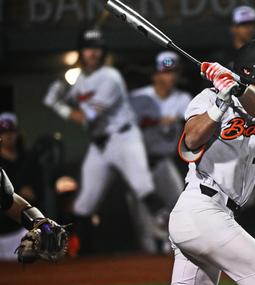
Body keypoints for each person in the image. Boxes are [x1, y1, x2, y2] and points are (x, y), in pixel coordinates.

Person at [168, 38, 255, 285]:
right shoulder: (209, 97)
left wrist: (237, 89)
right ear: (250, 69)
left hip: (218, 214)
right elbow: (191, 140)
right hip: (199, 207)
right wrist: (221, 101)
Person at [43, 28, 165, 254]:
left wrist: (58, 104)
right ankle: (80, 255)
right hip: (99, 145)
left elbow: (87, 116)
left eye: (97, 49)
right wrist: (59, 87)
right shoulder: (78, 79)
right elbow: (52, 98)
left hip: (124, 138)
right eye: (89, 48)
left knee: (143, 188)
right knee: (83, 205)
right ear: (81, 51)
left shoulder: (111, 77)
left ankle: (172, 239)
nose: (93, 53)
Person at [128, 51, 191, 253]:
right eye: (165, 72)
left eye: (173, 72)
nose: (170, 77)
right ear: (155, 75)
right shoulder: (139, 98)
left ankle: (175, 248)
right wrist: (155, 121)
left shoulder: (183, 99)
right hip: (138, 164)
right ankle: (147, 268)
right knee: (143, 221)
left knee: (181, 204)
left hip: (163, 161)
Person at [0, 113, 36, 260]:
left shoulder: (28, 160)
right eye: (3, 132)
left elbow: (35, 194)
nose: (8, 136)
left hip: (21, 231)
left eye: (11, 132)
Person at [210, 5, 255, 70]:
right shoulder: (221, 58)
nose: (249, 28)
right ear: (233, 28)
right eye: (243, 24)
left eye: (252, 24)